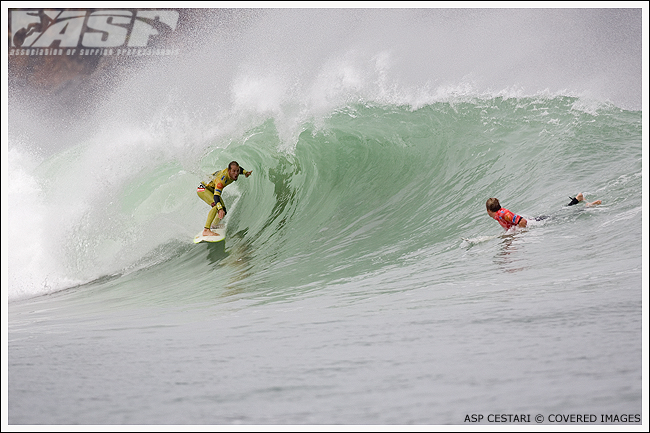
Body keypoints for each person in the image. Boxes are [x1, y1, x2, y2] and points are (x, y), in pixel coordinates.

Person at [486, 192, 602, 230]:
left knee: (564, 215)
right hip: (536, 221)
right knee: (561, 212)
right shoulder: (498, 214)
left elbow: (522, 222)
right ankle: (577, 199)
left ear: (488, 210)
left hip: (536, 223)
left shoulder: (503, 213)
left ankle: (586, 206)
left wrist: (520, 234)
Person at [197, 161, 252, 237]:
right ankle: (206, 230)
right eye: (233, 171)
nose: (236, 173)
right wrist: (220, 209)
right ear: (229, 171)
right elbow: (216, 196)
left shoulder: (234, 173)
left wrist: (246, 172)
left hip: (211, 189)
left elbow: (240, 169)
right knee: (217, 206)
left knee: (224, 210)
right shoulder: (221, 181)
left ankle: (214, 225)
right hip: (203, 189)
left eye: (237, 171)